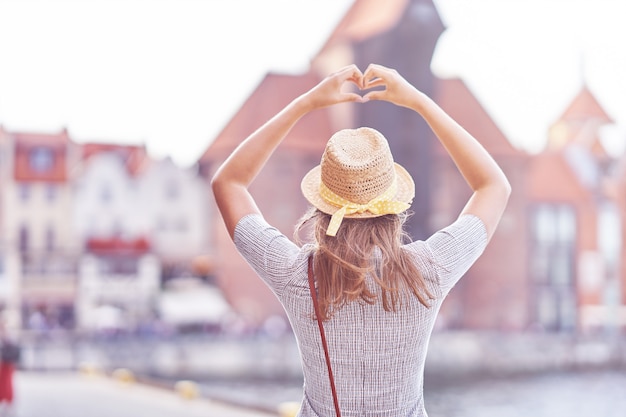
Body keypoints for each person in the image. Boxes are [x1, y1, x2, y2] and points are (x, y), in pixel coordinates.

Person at [211, 64, 511, 416]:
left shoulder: (297, 274)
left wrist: (305, 104)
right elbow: (494, 186)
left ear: (322, 206)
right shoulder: (429, 270)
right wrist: (419, 102)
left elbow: (228, 183)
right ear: (394, 205)